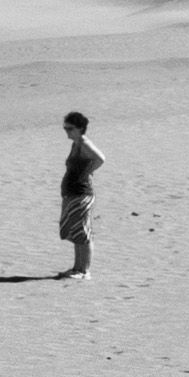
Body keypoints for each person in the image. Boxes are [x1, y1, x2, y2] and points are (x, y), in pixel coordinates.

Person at [57, 111, 105, 278]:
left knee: (83, 233)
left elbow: (101, 158)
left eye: (70, 129)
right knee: (76, 231)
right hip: (73, 193)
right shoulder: (76, 144)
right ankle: (77, 268)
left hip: (82, 193)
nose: (67, 132)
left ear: (80, 129)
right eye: (65, 128)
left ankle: (84, 270)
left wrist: (88, 172)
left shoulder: (84, 143)